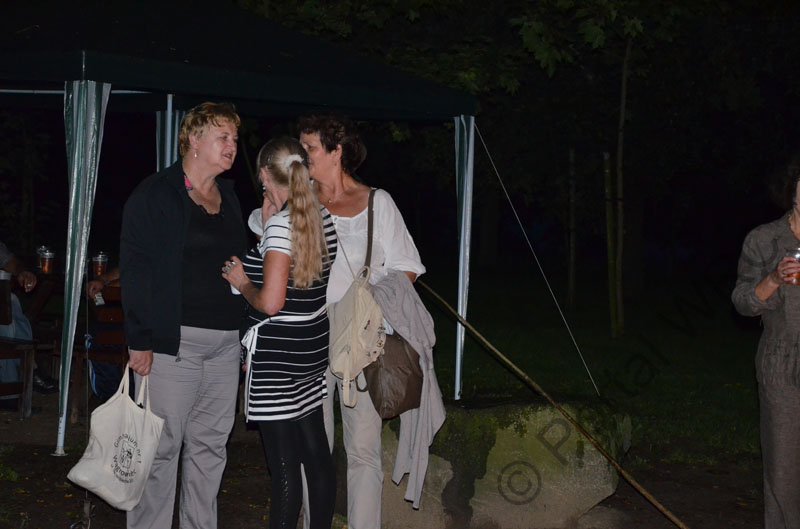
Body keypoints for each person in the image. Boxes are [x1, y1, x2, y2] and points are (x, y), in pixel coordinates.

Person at [120, 102, 247, 529]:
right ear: (193, 138)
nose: (232, 145)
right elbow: (136, 269)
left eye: (234, 138)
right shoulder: (156, 194)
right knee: (160, 449)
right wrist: (139, 339)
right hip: (174, 346)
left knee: (211, 449)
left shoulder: (229, 197)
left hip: (225, 346)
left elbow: (237, 266)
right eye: (223, 136)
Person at [298, 115, 428, 529]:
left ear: (336, 151)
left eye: (310, 148)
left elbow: (408, 266)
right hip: (310, 335)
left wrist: (372, 302)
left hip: (361, 338)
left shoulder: (378, 202)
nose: (303, 156)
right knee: (312, 449)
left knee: (363, 450)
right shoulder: (300, 201)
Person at [221, 137, 337, 529]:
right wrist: (267, 227)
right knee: (316, 455)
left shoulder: (281, 228)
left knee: (284, 466)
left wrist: (241, 281)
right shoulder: (321, 217)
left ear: (265, 176)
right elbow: (296, 279)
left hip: (279, 359)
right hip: (311, 349)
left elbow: (270, 302)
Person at [732, 157, 800, 529]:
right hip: (781, 365)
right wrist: (773, 279)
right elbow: (742, 302)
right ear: (793, 189)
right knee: (783, 474)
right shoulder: (763, 239)